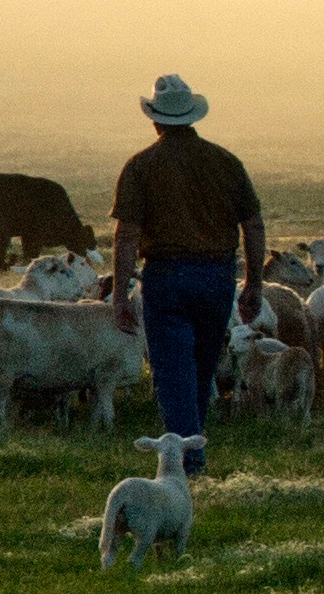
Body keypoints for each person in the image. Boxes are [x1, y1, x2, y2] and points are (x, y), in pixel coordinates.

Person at [102, 74, 263, 476]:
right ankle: (191, 450)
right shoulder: (225, 162)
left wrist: (120, 295)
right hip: (216, 278)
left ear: (154, 119)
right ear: (192, 116)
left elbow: (126, 236)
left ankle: (188, 464)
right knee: (201, 368)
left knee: (173, 373)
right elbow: (254, 224)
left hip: (167, 278)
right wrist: (254, 283)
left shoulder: (141, 167)